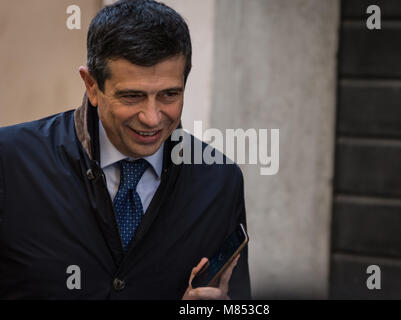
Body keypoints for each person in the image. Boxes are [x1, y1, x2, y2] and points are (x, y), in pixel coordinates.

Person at [0, 0, 251, 300]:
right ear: (91, 85)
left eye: (169, 94)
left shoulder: (220, 182)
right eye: (132, 96)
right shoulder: (9, 162)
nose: (152, 117)